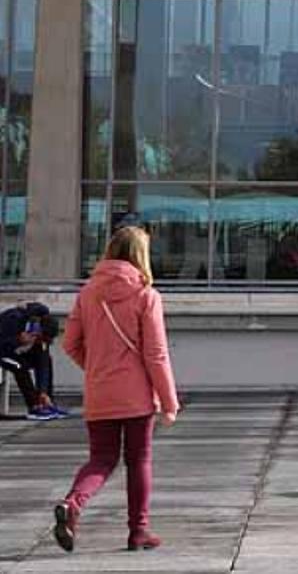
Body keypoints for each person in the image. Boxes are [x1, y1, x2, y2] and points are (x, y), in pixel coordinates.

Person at [55, 226, 179, 554]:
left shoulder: (87, 292)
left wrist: (96, 368)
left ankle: (72, 503)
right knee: (138, 460)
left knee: (101, 459)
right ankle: (138, 532)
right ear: (142, 255)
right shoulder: (146, 295)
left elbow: (69, 343)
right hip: (136, 395)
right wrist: (169, 402)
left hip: (99, 391)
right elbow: (155, 353)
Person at [0, 303, 68, 420]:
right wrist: (17, 340)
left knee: (46, 359)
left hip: (16, 353)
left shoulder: (41, 336)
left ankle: (46, 401)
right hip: (3, 352)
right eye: (40, 338)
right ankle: (34, 406)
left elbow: (44, 365)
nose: (39, 341)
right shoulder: (13, 319)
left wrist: (43, 391)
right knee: (19, 366)